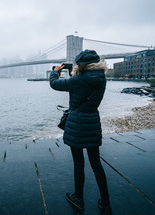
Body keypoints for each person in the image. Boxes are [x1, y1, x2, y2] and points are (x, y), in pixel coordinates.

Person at [50, 50, 112, 214]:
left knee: (79, 163)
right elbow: (84, 88)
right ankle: (105, 203)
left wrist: (55, 72)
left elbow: (55, 84)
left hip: (77, 125)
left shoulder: (77, 80)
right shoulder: (101, 79)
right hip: (92, 123)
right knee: (96, 164)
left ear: (83, 65)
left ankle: (78, 198)